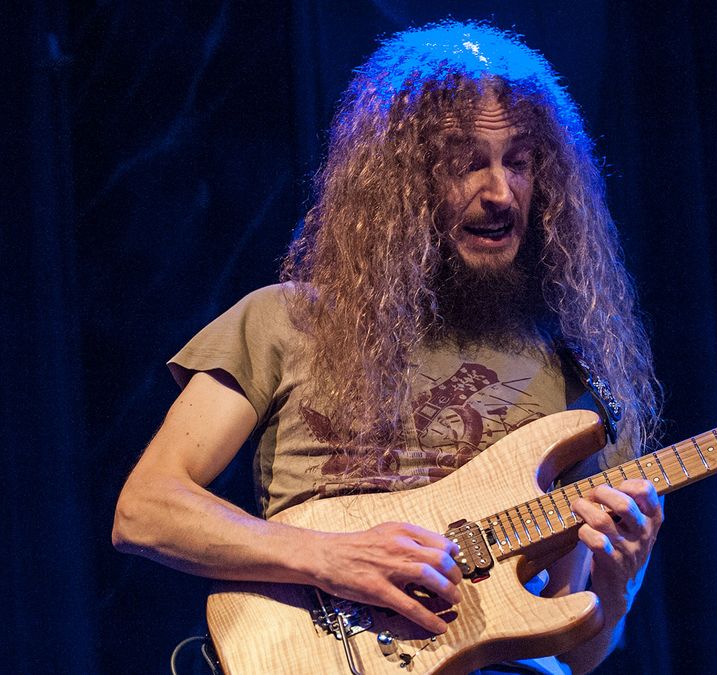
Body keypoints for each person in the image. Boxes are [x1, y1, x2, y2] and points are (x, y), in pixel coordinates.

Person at [112, 21, 663, 674]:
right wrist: (330, 556)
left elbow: (579, 650)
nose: (500, 192)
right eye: (466, 164)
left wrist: (614, 584)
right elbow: (145, 511)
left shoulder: (585, 381)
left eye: (519, 161)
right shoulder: (282, 321)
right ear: (398, 185)